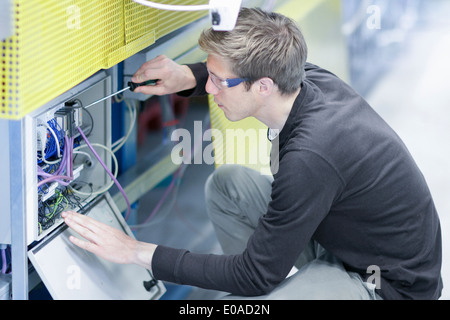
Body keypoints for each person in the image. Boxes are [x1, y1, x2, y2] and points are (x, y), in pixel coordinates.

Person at [62, 7, 443, 300]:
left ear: (262, 86)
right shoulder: (304, 78)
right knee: (228, 186)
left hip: (386, 284)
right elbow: (235, 75)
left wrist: (134, 251)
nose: (209, 90)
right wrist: (187, 76)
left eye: (217, 81)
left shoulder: (311, 156)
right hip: (345, 240)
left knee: (254, 282)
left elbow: (255, 273)